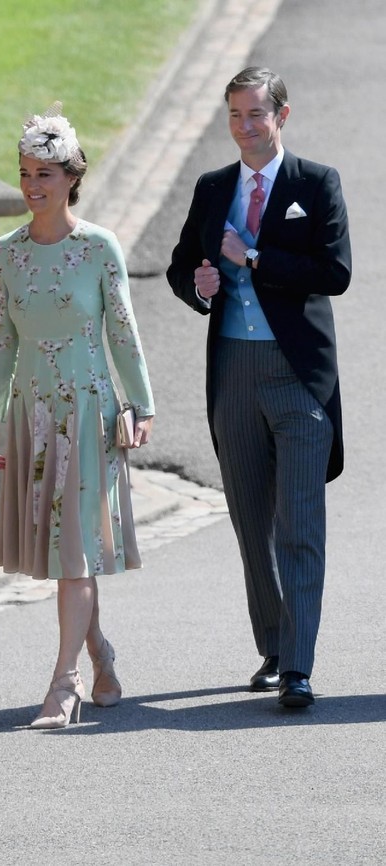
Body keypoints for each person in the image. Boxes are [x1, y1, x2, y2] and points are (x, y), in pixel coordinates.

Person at [167, 67, 351, 708]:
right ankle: (273, 646)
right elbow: (181, 266)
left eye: (256, 114)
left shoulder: (315, 183)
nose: (245, 126)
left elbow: (335, 272)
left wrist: (253, 259)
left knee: (299, 522)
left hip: (298, 376)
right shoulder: (213, 187)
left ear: (282, 116)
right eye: (235, 115)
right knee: (251, 521)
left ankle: (298, 666)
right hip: (233, 372)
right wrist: (199, 286)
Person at [0, 104, 155, 728]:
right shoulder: (6, 252)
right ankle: (100, 654)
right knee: (65, 552)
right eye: (25, 173)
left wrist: (141, 404)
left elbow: (123, 332)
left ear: (71, 178)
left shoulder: (98, 246)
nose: (32, 185)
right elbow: (1, 339)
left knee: (74, 554)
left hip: (89, 415)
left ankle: (64, 682)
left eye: (45, 174)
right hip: (33, 415)